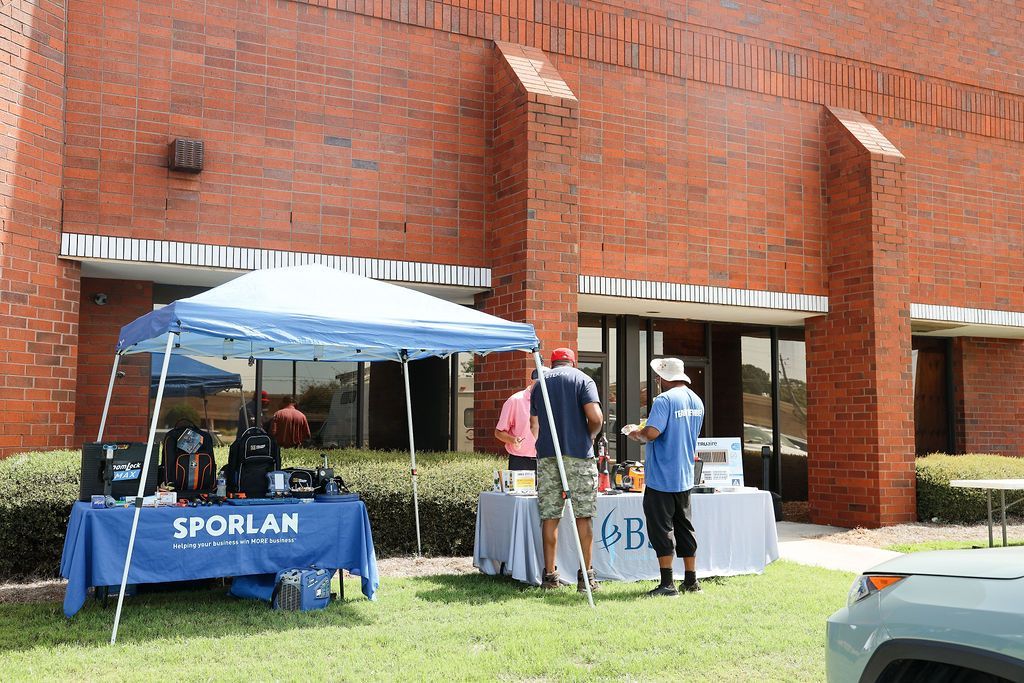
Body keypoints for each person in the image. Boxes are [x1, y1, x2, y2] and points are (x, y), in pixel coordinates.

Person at [626, 357, 705, 597]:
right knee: (685, 527)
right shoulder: (696, 400)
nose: (657, 381)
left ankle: (667, 584)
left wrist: (634, 432)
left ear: (664, 378)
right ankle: (691, 580)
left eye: (658, 377)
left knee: (661, 530)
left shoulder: (664, 400)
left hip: (661, 476)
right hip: (684, 476)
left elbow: (651, 433)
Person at [529, 348, 603, 592]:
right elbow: (596, 417)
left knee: (550, 517)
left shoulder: (539, 384)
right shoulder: (583, 379)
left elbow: (535, 424)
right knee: (583, 515)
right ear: (573, 362)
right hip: (579, 456)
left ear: (553, 363)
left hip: (548, 456)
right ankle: (587, 578)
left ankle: (550, 577)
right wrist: (589, 436)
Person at [494, 368, 544, 471]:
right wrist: (513, 440)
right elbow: (499, 432)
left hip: (547, 460)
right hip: (521, 461)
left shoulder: (552, 400)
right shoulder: (515, 400)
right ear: (532, 381)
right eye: (540, 383)